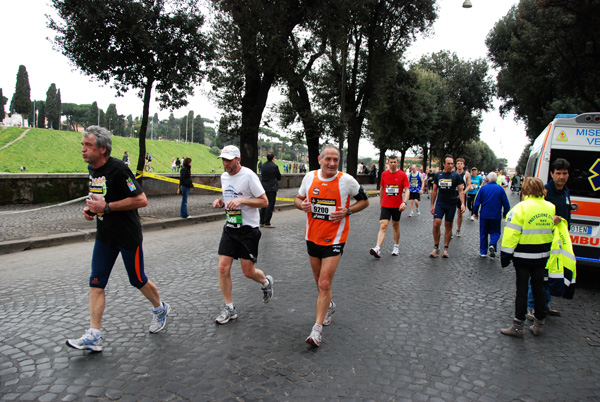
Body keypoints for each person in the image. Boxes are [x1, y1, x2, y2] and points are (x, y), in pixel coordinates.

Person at [66, 126, 170, 352]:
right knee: (96, 282)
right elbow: (99, 197)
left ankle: (160, 308)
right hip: (104, 235)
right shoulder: (92, 169)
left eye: (88, 145)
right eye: (82, 145)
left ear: (102, 149)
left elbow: (141, 200)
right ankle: (94, 334)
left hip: (127, 236)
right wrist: (91, 210)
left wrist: (108, 207)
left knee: (137, 279)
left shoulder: (120, 169)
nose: (83, 149)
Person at [295, 145, 369, 347]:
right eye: (328, 159)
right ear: (320, 159)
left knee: (324, 284)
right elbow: (298, 198)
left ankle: (316, 330)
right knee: (319, 282)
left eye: (336, 159)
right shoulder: (309, 177)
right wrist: (301, 205)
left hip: (335, 240)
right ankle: (329, 305)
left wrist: (348, 211)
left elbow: (365, 201)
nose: (332, 163)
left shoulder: (347, 180)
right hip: (312, 237)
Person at [211, 145, 274, 325]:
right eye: (223, 160)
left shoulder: (248, 176)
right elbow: (229, 198)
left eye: (229, 160)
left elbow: (264, 201)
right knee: (223, 267)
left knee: (248, 272)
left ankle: (265, 282)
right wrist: (221, 202)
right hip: (230, 227)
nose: (225, 163)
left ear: (238, 160)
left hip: (248, 230)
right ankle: (229, 308)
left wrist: (242, 200)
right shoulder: (224, 176)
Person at [500, 177, 555, 338]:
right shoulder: (551, 207)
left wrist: (506, 256)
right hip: (543, 256)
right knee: (539, 289)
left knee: (522, 290)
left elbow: (511, 235)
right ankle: (539, 324)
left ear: (524, 190)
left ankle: (518, 326)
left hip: (523, 257)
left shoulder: (520, 208)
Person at [526, 158, 572, 320]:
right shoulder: (545, 191)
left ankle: (545, 304)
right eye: (558, 173)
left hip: (558, 240)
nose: (561, 176)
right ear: (551, 174)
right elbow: (535, 209)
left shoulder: (566, 191)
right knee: (539, 273)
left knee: (553, 272)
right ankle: (531, 306)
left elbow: (568, 213)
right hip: (544, 238)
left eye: (564, 173)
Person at [369, 155, 409, 258]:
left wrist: (404, 202)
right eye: (391, 162)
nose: (393, 164)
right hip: (386, 204)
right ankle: (377, 248)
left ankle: (396, 246)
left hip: (397, 205)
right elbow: (382, 189)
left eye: (395, 162)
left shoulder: (402, 175)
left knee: (395, 225)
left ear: (397, 162)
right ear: (388, 163)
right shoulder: (384, 174)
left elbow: (407, 189)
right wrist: (381, 203)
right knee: (383, 225)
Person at [429, 155, 465, 258]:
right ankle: (436, 247)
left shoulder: (456, 176)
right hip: (440, 203)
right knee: (436, 224)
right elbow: (435, 190)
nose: (450, 166)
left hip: (451, 204)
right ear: (444, 164)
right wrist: (432, 204)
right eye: (448, 163)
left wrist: (462, 203)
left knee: (448, 226)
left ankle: (446, 248)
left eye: (452, 164)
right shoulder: (438, 175)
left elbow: (461, 191)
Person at [472, 172, 510, 257]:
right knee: (495, 232)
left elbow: (477, 202)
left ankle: (483, 252)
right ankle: (492, 244)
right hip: (496, 215)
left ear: (488, 179)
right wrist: (505, 213)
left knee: (483, 233)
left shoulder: (483, 189)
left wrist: (475, 212)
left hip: (484, 214)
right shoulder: (500, 189)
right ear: (496, 179)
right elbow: (506, 203)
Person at [259, 152, 282, 228]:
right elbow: (279, 177)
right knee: (270, 205)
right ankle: (267, 222)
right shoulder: (274, 166)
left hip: (264, 186)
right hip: (272, 187)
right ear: (273, 158)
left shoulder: (263, 165)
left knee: (263, 204)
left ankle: (261, 221)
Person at [454, 158, 470, 237]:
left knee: (460, 213)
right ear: (456, 165)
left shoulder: (466, 174)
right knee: (451, 212)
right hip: (453, 194)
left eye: (461, 163)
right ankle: (449, 229)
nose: (459, 164)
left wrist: (463, 192)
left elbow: (469, 185)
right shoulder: (453, 173)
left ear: (463, 165)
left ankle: (458, 229)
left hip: (462, 195)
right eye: (458, 163)